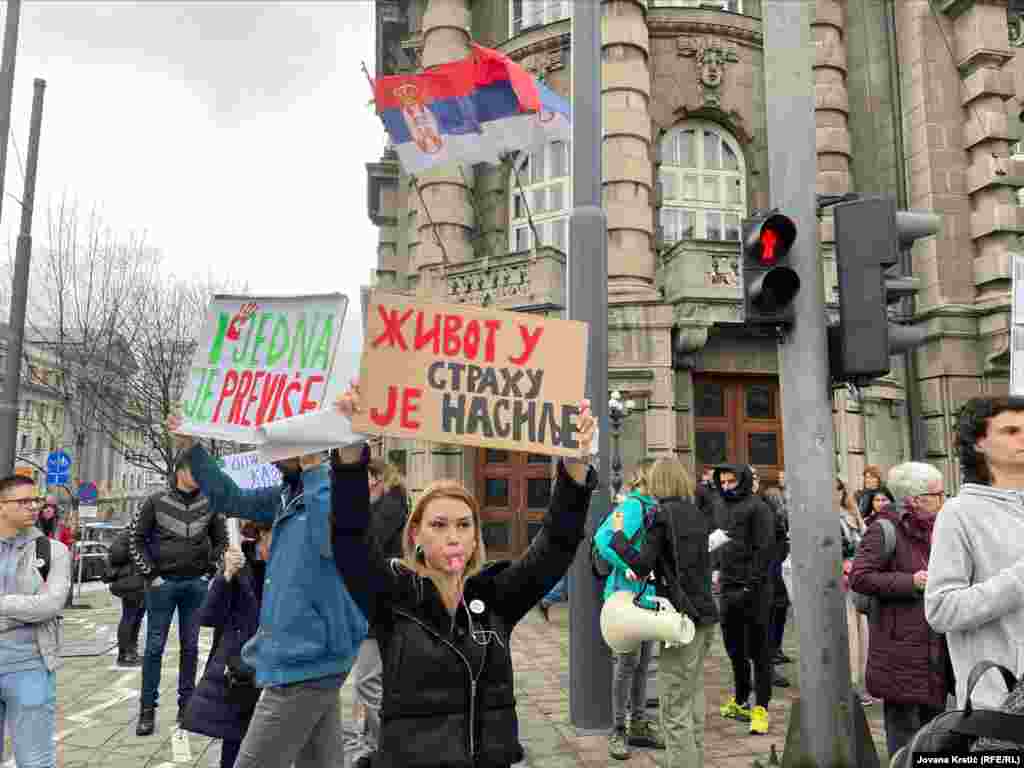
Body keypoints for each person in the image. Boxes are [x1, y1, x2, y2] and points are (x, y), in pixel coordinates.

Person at [331, 383, 596, 768]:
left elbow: (556, 545)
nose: (452, 537)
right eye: (438, 525)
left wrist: (575, 463)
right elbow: (350, 538)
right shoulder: (393, 595)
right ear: (416, 534)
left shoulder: (495, 596)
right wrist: (349, 448)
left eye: (463, 525)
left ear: (475, 539)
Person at [167, 415, 368, 768]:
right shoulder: (285, 496)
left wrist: (313, 466)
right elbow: (230, 498)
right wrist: (193, 449)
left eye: (279, 448)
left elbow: (329, 540)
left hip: (304, 659)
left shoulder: (335, 493)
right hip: (304, 655)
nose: (272, 458)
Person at [606, 458, 717, 768]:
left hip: (682, 621)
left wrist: (618, 536)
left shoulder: (660, 515)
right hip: (706, 616)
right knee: (693, 697)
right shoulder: (696, 513)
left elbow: (641, 565)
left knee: (674, 707)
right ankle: (693, 759)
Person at [925, 396, 1024, 709]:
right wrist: (1019, 579)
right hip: (1002, 707)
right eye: (1011, 431)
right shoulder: (959, 513)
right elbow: (941, 610)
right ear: (979, 444)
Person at [848, 462, 950, 758]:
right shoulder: (884, 529)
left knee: (936, 730)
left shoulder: (939, 526)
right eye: (938, 494)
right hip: (899, 649)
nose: (943, 501)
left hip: (935, 643)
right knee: (905, 734)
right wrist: (910, 582)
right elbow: (860, 577)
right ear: (915, 499)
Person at [129, 454, 229, 735]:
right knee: (153, 648)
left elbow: (222, 541)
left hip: (195, 585)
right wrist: (152, 575)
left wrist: (208, 574)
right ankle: (146, 711)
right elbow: (135, 538)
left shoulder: (210, 502)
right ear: (180, 470)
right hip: (162, 585)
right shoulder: (155, 500)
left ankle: (187, 708)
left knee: (191, 647)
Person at [181, 521, 269, 768]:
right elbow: (208, 617)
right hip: (240, 669)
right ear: (260, 533)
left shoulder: (291, 568)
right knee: (235, 742)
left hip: (276, 665)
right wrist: (226, 575)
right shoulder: (239, 563)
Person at [0, 475, 71, 768]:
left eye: (36, 500)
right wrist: (20, 609)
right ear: (2, 506)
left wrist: (2, 604)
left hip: (30, 663)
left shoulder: (53, 551)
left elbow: (49, 605)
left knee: (35, 760)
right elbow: (34, 605)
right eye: (23, 501)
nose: (33, 507)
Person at [595, 458, 664, 759]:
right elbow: (603, 539)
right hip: (626, 597)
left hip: (645, 597)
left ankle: (638, 724)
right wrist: (630, 566)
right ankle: (618, 731)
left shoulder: (652, 506)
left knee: (642, 665)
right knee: (627, 665)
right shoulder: (634, 506)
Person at [349, 459, 411, 761]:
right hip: (381, 602)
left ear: (375, 478)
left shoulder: (390, 505)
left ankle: (385, 743)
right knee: (379, 678)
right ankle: (377, 740)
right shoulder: (391, 501)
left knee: (367, 679)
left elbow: (366, 543)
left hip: (381, 603)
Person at [712, 464, 775, 735]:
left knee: (759, 651)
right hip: (727, 587)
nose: (726, 486)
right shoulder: (720, 505)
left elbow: (765, 549)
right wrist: (716, 567)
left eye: (731, 481)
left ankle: (761, 707)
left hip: (755, 591)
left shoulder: (759, 508)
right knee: (734, 648)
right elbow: (718, 540)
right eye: (722, 481)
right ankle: (740, 700)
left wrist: (751, 586)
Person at [837, 477, 874, 706]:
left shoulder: (853, 515)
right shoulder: (821, 517)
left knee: (862, 635)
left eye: (838, 490)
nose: (834, 495)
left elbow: (865, 542)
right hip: (836, 586)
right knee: (848, 634)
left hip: (857, 581)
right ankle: (848, 685)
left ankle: (859, 683)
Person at [102, 525, 147, 666]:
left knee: (135, 618)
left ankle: (131, 652)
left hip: (136, 582)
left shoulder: (129, 534)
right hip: (133, 582)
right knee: (130, 618)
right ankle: (125, 654)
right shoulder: (134, 535)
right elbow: (117, 556)